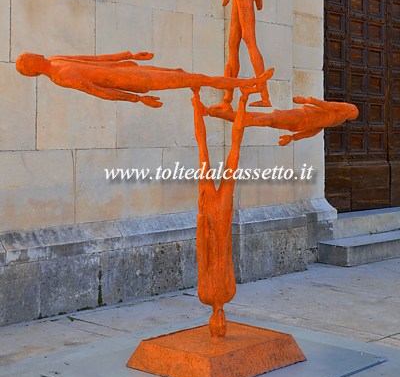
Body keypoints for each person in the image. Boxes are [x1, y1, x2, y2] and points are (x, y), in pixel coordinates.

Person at [15, 50, 274, 109]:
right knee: (199, 77)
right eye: (28, 58)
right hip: (137, 82)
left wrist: (129, 54)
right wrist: (139, 98)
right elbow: (102, 92)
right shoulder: (61, 76)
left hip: (131, 69)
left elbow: (96, 59)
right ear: (32, 67)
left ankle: (246, 83)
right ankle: (248, 83)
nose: (31, 53)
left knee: (183, 74)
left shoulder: (57, 59)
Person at [191, 86, 249, 337]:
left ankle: (196, 101)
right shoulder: (229, 293)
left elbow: (201, 252)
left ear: (212, 323)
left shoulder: (205, 295)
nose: (221, 319)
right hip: (223, 215)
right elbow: (228, 250)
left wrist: (202, 218)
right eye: (223, 323)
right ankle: (243, 101)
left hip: (210, 215)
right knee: (233, 154)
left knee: (203, 152)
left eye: (219, 323)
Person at [208, 93, 359, 145]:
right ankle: (215, 113)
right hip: (299, 122)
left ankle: (243, 121)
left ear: (350, 112)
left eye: (350, 108)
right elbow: (315, 130)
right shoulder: (335, 119)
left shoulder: (340, 112)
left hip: (301, 118)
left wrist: (307, 100)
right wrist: (293, 137)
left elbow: (326, 105)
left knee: (268, 118)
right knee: (264, 118)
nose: (348, 107)